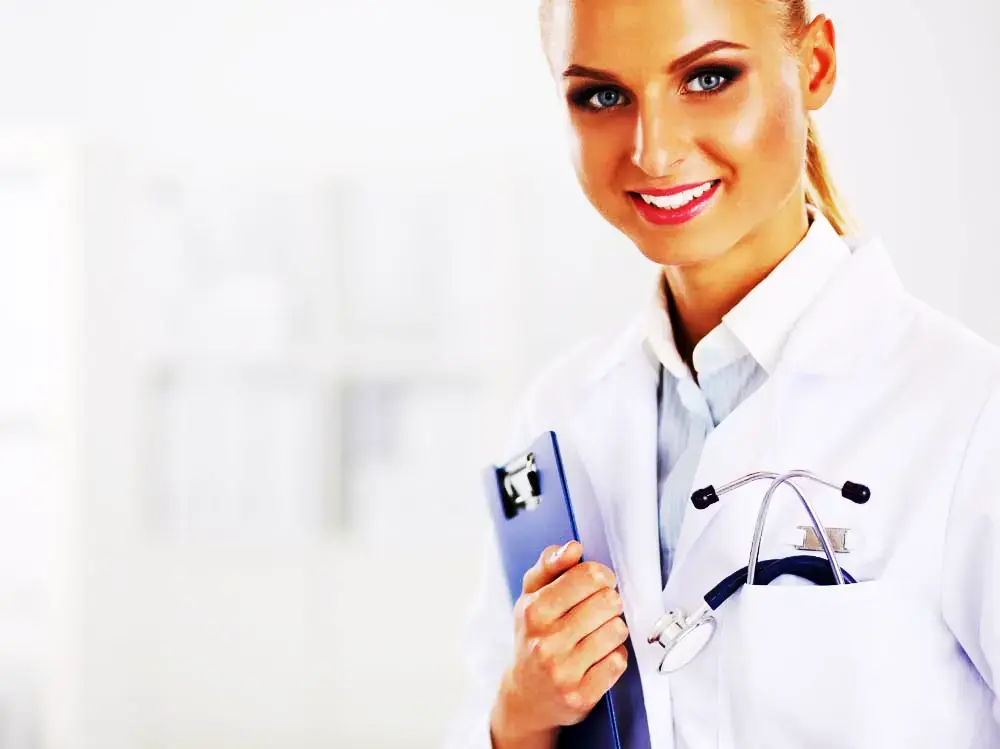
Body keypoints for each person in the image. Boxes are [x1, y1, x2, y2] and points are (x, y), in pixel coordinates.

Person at [446, 0, 1000, 747]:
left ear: (815, 65)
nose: (654, 151)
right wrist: (521, 713)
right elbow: (478, 708)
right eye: (602, 95)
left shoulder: (971, 415)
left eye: (708, 78)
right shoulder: (558, 415)